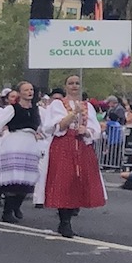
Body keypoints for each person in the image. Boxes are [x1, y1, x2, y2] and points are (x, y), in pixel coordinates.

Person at [40, 74, 105, 239]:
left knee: (79, 180)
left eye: (77, 83)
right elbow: (56, 126)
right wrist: (73, 114)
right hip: (64, 144)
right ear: (66, 86)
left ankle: (71, 212)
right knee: (64, 180)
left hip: (82, 145)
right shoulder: (57, 104)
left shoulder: (87, 106)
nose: (74, 86)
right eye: (71, 83)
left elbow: (95, 129)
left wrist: (87, 131)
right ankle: (64, 220)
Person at [0, 81, 44, 223]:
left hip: (30, 144)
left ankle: (16, 206)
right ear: (19, 93)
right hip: (14, 143)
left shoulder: (37, 110)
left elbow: (45, 127)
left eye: (31, 89)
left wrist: (41, 135)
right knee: (13, 178)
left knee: (27, 178)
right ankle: (7, 211)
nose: (29, 92)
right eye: (26, 90)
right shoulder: (12, 109)